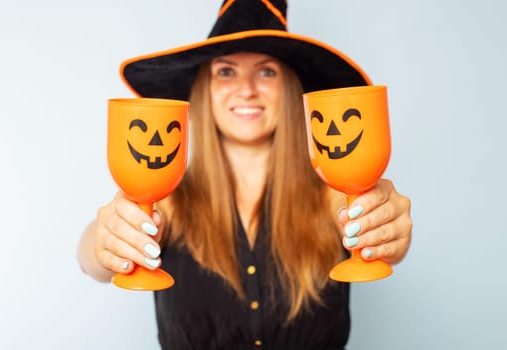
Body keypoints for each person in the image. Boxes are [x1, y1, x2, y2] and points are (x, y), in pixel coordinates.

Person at [78, 1, 412, 349]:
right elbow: (91, 260)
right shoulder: (167, 201)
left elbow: (375, 231)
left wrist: (387, 230)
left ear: (290, 89)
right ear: (203, 88)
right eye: (226, 71)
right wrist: (103, 242)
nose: (247, 89)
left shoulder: (335, 195)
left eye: (266, 71)